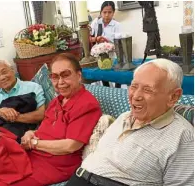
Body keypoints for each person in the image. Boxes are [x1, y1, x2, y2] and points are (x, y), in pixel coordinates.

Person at [0, 53, 102, 186]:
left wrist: (34, 143)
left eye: (65, 75)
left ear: (78, 75)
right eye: (55, 77)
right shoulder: (56, 102)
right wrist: (31, 134)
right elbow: (43, 129)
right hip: (36, 155)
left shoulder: (86, 104)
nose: (60, 82)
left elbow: (71, 145)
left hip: (57, 164)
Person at [66, 58, 194, 186]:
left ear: (173, 97)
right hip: (79, 177)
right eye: (133, 86)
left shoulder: (182, 136)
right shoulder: (124, 117)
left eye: (147, 90)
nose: (136, 96)